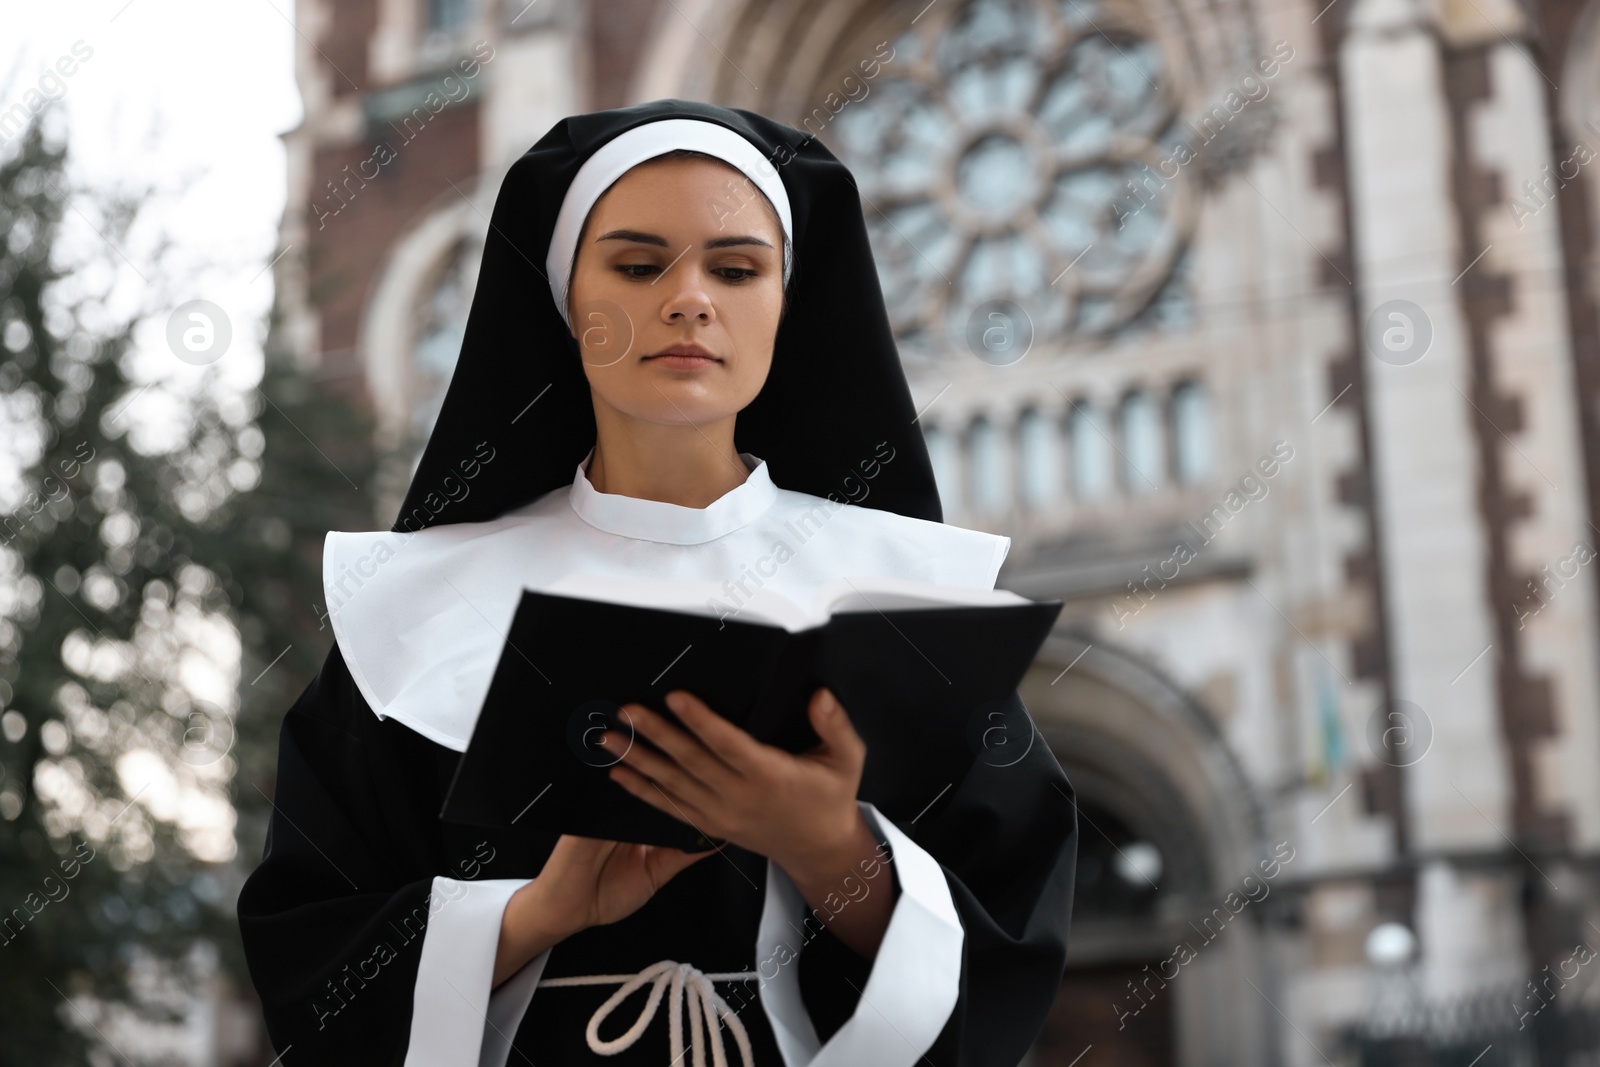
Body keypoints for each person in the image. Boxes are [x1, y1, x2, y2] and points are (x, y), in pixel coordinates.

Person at [237, 98, 1078, 1067]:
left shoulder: (903, 600)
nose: (690, 300)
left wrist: (829, 850)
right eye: (638, 267)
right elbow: (309, 957)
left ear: (786, 302)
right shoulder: (420, 611)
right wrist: (534, 912)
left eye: (736, 268)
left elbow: (1013, 933)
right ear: (564, 299)